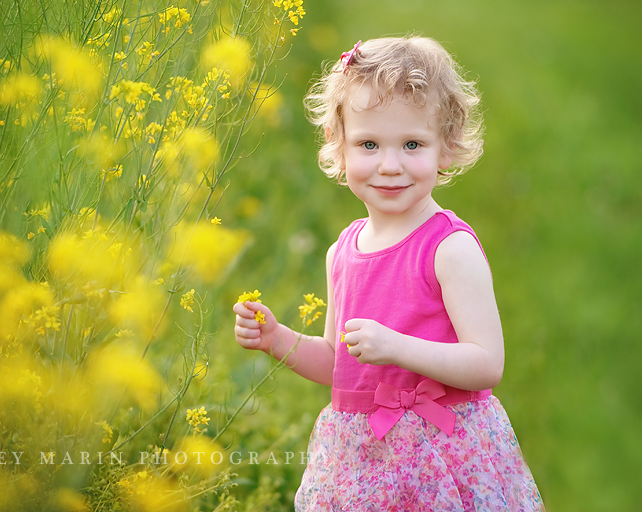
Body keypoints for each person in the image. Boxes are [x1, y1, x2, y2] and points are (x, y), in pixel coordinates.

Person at [233, 36, 544, 511]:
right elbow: (341, 363)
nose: (390, 165)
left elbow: (487, 363)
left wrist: (397, 347)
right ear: (341, 150)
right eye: (369, 144)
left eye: (412, 144)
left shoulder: (448, 249)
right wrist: (279, 340)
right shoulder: (342, 251)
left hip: (442, 452)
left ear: (446, 149)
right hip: (363, 460)